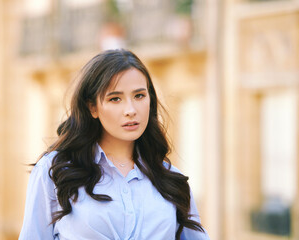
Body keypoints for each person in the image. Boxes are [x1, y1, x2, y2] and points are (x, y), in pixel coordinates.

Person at [19, 49, 210, 240]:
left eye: (139, 96)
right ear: (92, 107)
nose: (131, 110)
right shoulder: (54, 173)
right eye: (115, 99)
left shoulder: (171, 180)